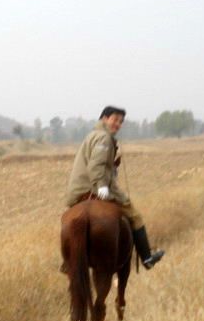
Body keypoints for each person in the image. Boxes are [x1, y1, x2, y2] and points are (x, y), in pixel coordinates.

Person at [66, 106, 165, 269]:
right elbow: (95, 166)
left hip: (76, 193)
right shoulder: (104, 138)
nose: (117, 124)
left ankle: (68, 262)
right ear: (104, 118)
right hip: (93, 188)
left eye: (120, 121)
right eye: (115, 119)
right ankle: (147, 258)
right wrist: (101, 186)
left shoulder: (92, 135)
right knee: (135, 215)